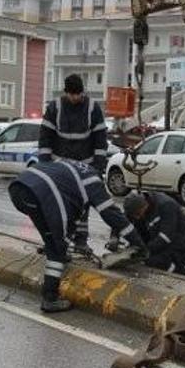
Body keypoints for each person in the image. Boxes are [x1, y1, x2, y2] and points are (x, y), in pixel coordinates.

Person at [9, 160, 146, 313]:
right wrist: (138, 243)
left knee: (51, 237)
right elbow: (111, 213)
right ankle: (50, 298)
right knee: (58, 247)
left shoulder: (76, 178)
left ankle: (54, 254)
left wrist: (79, 242)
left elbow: (79, 215)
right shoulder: (93, 181)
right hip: (42, 190)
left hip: (20, 188)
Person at [38, 74, 109, 254]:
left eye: (78, 94)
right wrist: (45, 166)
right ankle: (55, 242)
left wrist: (98, 168)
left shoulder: (93, 108)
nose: (75, 98)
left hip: (83, 167)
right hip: (59, 166)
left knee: (82, 206)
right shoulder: (55, 108)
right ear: (66, 93)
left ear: (82, 92)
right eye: (72, 94)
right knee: (57, 206)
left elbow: (100, 141)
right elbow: (45, 138)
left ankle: (80, 242)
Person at [124, 192, 185, 278]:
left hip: (181, 245)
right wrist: (118, 239)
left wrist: (144, 250)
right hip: (161, 243)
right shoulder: (138, 207)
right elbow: (123, 221)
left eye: (138, 214)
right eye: (134, 215)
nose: (137, 217)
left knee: (160, 264)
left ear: (144, 205)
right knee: (146, 261)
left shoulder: (166, 205)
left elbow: (165, 237)